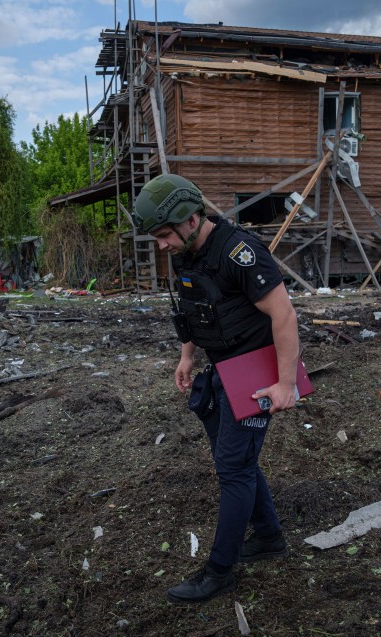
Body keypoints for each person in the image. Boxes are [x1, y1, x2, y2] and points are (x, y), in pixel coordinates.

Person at [133, 174, 298, 604]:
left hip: (256, 371)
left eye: (165, 235)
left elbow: (283, 315)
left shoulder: (239, 252)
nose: (161, 246)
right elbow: (193, 308)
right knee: (238, 461)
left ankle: (219, 571)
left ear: (190, 219)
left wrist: (284, 384)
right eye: (156, 238)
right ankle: (268, 537)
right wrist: (187, 355)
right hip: (221, 369)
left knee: (233, 467)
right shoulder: (185, 252)